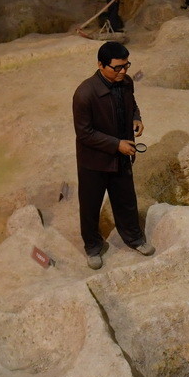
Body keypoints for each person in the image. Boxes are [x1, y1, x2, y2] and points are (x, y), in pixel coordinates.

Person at [72, 41, 155, 269]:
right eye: (117, 68)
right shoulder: (85, 94)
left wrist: (136, 118)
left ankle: (134, 238)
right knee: (90, 206)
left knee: (126, 200)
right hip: (94, 161)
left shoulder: (126, 83)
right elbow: (84, 134)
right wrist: (116, 144)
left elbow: (132, 104)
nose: (123, 72)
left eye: (126, 66)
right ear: (101, 65)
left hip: (121, 154)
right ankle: (93, 247)